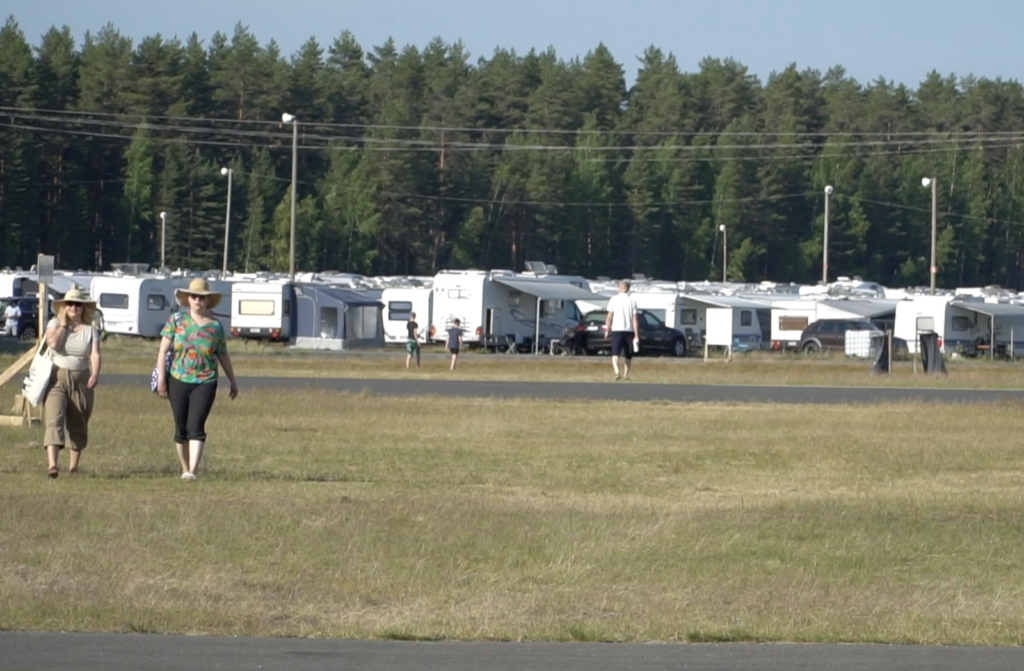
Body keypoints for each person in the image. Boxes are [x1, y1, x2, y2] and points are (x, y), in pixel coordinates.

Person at [156, 278, 239, 481]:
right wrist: (161, 379)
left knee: (196, 424)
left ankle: (192, 471)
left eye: (202, 298)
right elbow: (162, 351)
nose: (198, 301)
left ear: (208, 301)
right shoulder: (176, 321)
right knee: (181, 426)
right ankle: (185, 468)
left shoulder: (215, 327)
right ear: (188, 299)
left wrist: (233, 381)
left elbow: (223, 355)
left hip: (206, 380)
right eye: (194, 297)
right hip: (177, 378)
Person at [42, 289, 102, 478]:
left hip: (81, 378)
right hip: (55, 377)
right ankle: (53, 465)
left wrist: (95, 373)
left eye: (78, 304)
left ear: (83, 308)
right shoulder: (54, 324)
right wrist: (63, 325)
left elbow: (95, 353)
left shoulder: (91, 329)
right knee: (54, 418)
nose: (74, 307)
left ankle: (73, 467)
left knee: (79, 420)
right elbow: (53, 344)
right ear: (64, 307)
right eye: (70, 304)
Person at [604, 280, 640, 380]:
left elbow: (609, 317)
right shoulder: (632, 301)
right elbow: (635, 319)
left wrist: (608, 329)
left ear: (621, 288)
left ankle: (616, 371)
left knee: (615, 353)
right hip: (629, 330)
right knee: (628, 354)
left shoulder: (613, 300)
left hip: (617, 330)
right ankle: (626, 375)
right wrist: (636, 335)